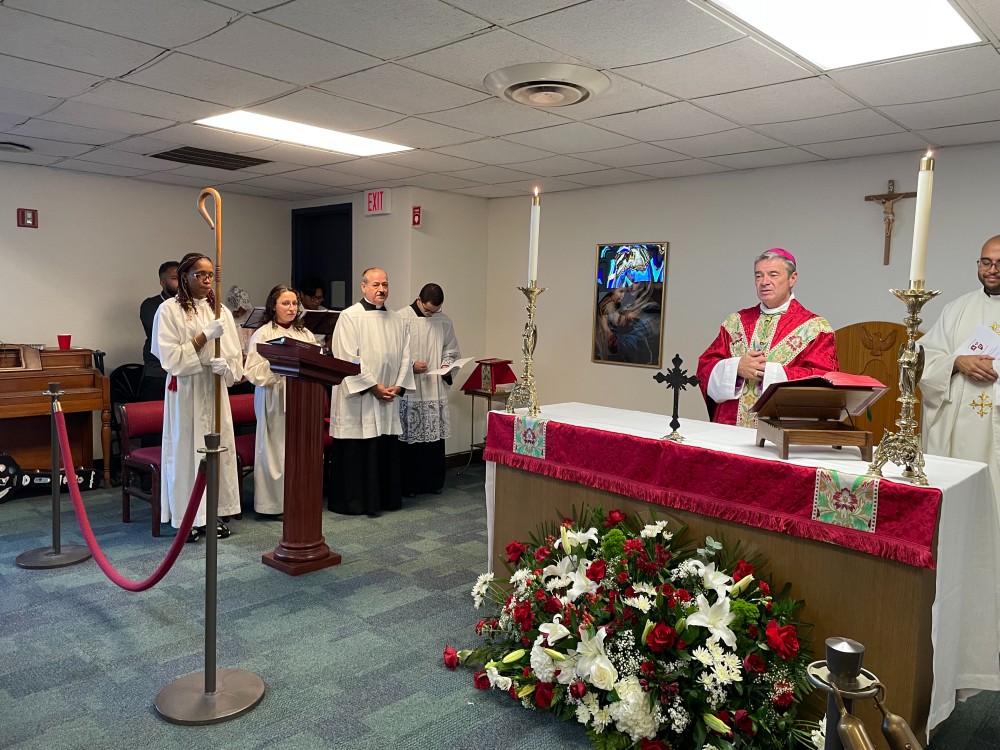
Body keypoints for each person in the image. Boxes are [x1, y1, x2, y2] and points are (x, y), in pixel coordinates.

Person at [153, 252, 243, 542]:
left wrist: (225, 366)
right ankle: (187, 517)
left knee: (217, 452)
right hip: (188, 390)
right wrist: (204, 336)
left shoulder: (222, 313)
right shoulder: (168, 311)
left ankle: (212, 514)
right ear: (184, 277)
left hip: (213, 388)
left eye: (209, 275)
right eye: (199, 275)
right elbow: (171, 358)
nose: (206, 280)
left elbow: (235, 359)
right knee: (187, 453)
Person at [696, 248, 839, 427]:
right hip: (730, 429)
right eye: (758, 276)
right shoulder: (736, 322)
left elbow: (824, 381)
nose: (764, 282)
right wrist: (735, 368)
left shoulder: (816, 328)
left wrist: (769, 372)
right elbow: (705, 368)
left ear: (792, 278)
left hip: (780, 432)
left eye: (773, 274)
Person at [921, 234, 1000, 504]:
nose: (992, 270)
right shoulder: (957, 309)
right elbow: (924, 357)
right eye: (986, 262)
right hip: (958, 431)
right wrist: (955, 362)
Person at [328, 268, 413, 516]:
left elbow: (406, 356)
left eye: (385, 284)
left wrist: (399, 384)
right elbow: (345, 357)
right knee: (358, 450)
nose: (381, 290)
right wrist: (372, 387)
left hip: (388, 395)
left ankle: (385, 499)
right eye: (376, 285)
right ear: (363, 287)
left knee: (383, 446)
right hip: (360, 399)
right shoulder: (349, 316)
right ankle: (355, 503)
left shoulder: (397, 319)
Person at [243, 285, 317, 517]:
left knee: (300, 452)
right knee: (275, 452)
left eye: (295, 303)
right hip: (274, 397)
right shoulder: (263, 333)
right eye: (285, 303)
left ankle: (299, 500)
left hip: (302, 398)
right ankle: (273, 505)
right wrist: (279, 362)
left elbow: (316, 365)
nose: (291, 308)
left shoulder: (305, 334)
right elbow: (252, 371)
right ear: (273, 306)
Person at [397, 283, 461, 497]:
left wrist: (446, 366)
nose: (432, 315)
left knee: (433, 439)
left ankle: (432, 482)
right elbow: (391, 354)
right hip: (411, 389)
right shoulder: (400, 318)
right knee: (410, 439)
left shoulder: (444, 321)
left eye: (436, 311)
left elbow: (451, 350)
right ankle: (410, 485)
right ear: (419, 300)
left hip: (433, 388)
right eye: (428, 311)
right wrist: (410, 366)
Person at [138, 261, 178, 401]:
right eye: (174, 278)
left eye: (182, 278)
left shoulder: (191, 305)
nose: (180, 283)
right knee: (157, 418)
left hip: (184, 371)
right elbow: (162, 332)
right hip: (157, 372)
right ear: (162, 282)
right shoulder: (150, 304)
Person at [225, 284, 254, 354]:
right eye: (237, 311)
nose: (240, 313)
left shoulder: (250, 317)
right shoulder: (227, 318)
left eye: (242, 310)